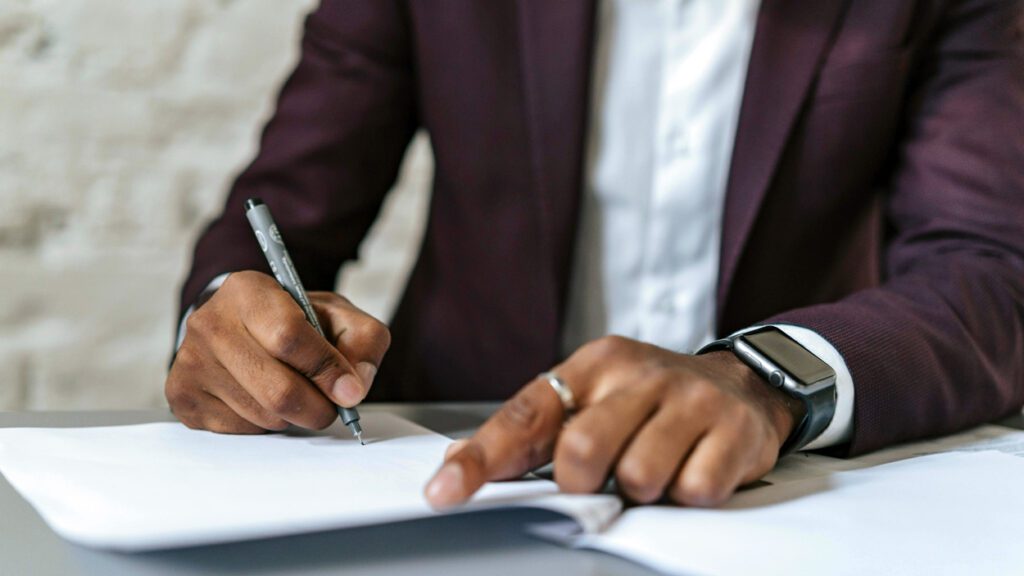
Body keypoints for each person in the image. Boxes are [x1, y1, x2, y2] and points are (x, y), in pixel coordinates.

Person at [167, 0, 1024, 509]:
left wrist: (767, 379)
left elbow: (989, 266)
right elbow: (284, 209)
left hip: (775, 500)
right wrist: (233, 318)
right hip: (444, 494)